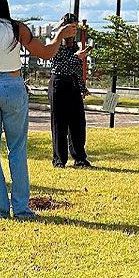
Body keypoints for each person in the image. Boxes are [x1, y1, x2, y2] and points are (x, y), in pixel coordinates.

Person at [0, 0, 78, 219]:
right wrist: (59, 35)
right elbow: (46, 52)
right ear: (4, 2)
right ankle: (22, 208)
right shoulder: (17, 29)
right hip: (14, 87)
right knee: (17, 149)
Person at [48, 12, 93, 168]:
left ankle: (80, 158)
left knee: (78, 122)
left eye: (76, 27)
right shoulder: (55, 43)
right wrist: (77, 57)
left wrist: (82, 87)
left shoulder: (74, 45)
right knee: (59, 123)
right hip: (59, 84)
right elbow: (59, 66)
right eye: (71, 27)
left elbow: (76, 69)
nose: (74, 30)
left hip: (72, 84)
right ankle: (59, 160)